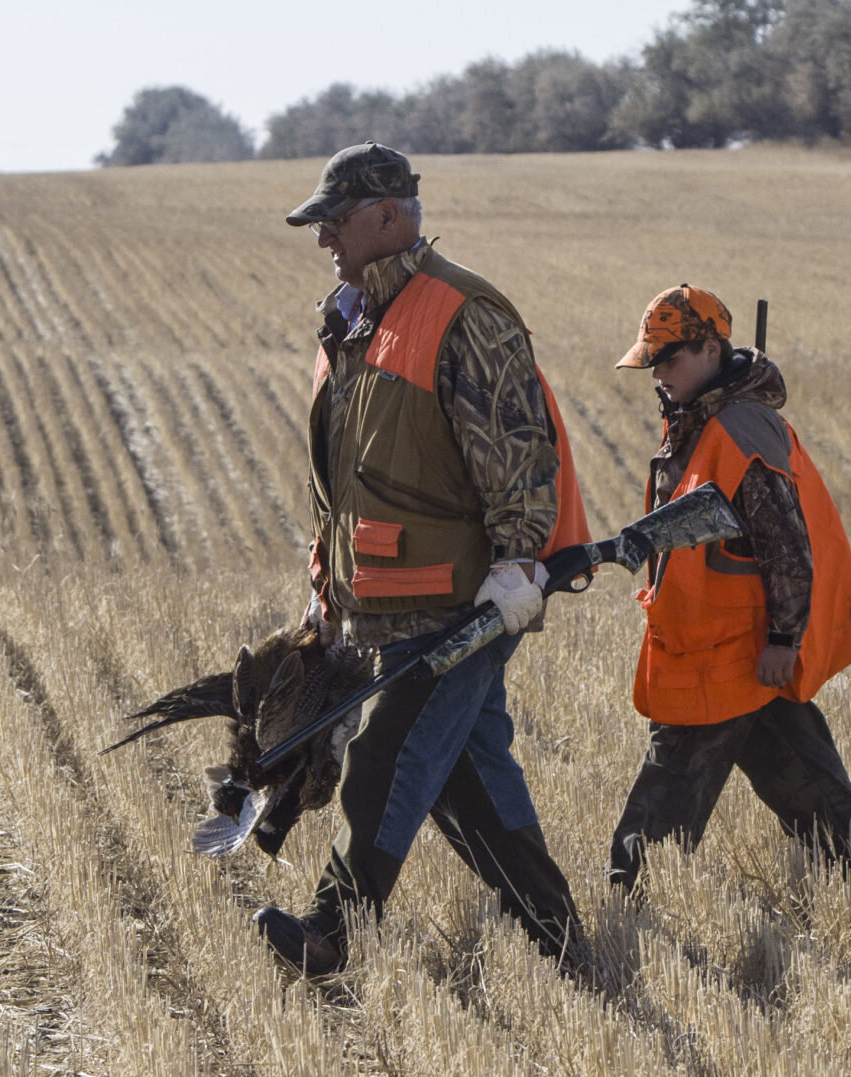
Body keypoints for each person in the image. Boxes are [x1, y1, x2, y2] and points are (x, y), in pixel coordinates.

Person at [252, 141, 591, 978]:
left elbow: (518, 449)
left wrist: (518, 564)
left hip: (457, 601)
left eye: (335, 220)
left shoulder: (464, 312)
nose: (323, 237)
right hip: (384, 601)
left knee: (387, 758)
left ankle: (330, 930)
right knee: (466, 780)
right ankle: (560, 940)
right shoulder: (351, 324)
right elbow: (345, 480)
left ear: (388, 216)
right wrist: (327, 589)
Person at [608, 284, 851, 894]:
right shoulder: (703, 419)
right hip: (728, 645)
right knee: (806, 781)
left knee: (667, 792)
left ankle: (631, 901)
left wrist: (784, 640)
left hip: (728, 652)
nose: (658, 374)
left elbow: (787, 545)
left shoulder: (737, 429)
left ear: (711, 349)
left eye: (669, 359)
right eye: (652, 362)